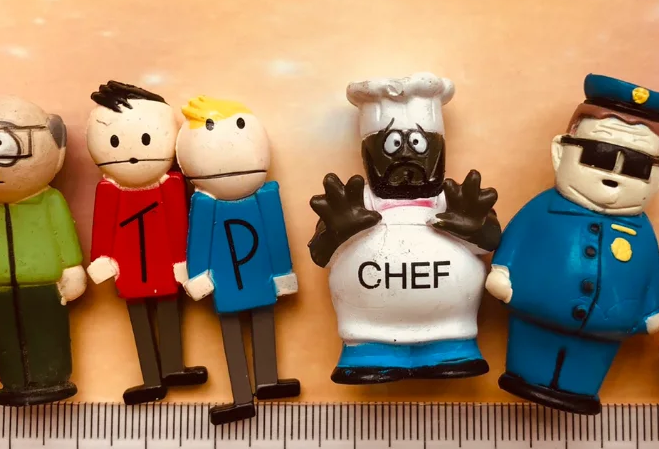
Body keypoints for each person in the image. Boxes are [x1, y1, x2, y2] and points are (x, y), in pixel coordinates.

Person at [486, 74, 659, 414]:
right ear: (561, 152)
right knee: (532, 348)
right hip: (535, 313)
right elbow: (519, 236)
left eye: (636, 166)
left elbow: (650, 270)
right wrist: (503, 269)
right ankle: (524, 376)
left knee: (589, 361)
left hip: (606, 328)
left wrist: (652, 308)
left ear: (658, 176)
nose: (613, 174)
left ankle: (579, 390)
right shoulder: (544, 207)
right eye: (599, 156)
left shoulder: (641, 230)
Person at [309, 72, 500, 384]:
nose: (407, 155)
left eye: (418, 144)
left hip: (452, 325)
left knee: (450, 349)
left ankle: (448, 351)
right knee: (371, 351)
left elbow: (489, 242)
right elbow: (320, 255)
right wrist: (338, 230)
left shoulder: (453, 199)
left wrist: (475, 227)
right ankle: (372, 354)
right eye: (392, 145)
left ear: (439, 149)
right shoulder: (354, 201)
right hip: (368, 327)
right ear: (368, 152)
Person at [177, 96, 300, 425]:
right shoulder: (206, 204)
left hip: (259, 276)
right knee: (232, 334)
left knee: (264, 321)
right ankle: (242, 397)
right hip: (225, 281)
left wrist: (282, 273)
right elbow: (198, 242)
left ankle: (268, 382)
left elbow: (276, 237)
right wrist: (198, 275)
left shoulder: (264, 197)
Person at [86, 81, 207, 405]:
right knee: (139, 318)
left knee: (168, 312)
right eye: (114, 141)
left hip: (164, 263)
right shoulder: (109, 190)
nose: (132, 154)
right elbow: (102, 227)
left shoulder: (170, 185)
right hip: (127, 266)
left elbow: (180, 225)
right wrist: (102, 257)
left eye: (145, 139)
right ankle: (151, 378)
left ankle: (173, 367)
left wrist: (181, 261)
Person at [0, 95, 86, 405]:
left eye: (3, 147)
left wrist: (71, 267)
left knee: (47, 331)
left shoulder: (48, 200)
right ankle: (13, 381)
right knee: (5, 335)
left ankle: (53, 377)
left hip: (43, 280)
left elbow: (64, 235)